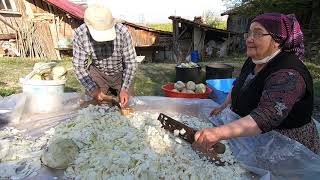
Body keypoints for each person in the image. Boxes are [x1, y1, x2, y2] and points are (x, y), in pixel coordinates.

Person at [193, 13, 320, 154]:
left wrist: (218, 133)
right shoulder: (255, 59)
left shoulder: (288, 73)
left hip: (287, 145)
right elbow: (238, 83)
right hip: (258, 136)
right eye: (249, 33)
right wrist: (225, 104)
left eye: (258, 34)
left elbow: (266, 116)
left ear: (278, 40)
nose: (249, 39)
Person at [72, 4, 137, 107]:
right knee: (93, 106)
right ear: (88, 27)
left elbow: (131, 63)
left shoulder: (122, 32)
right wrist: (93, 89)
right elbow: (79, 67)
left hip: (120, 72)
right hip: (98, 73)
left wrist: (125, 89)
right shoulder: (80, 34)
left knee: (127, 105)